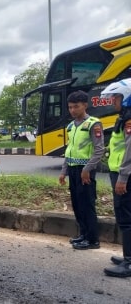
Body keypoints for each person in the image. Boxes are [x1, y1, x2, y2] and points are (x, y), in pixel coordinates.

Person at [59, 90, 104, 250]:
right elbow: (69, 150)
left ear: (85, 105)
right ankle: (83, 235)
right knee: (77, 204)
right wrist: (64, 171)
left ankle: (93, 239)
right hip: (72, 169)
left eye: (76, 107)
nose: (72, 110)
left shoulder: (93, 123)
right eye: (70, 107)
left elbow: (99, 150)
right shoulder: (71, 126)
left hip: (86, 170)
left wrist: (87, 169)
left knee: (87, 204)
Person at [101, 79, 131, 277]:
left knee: (126, 217)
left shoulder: (129, 119)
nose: (113, 101)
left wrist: (123, 177)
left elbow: (130, 150)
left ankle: (129, 262)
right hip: (120, 172)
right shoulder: (124, 117)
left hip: (125, 175)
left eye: (117, 97)